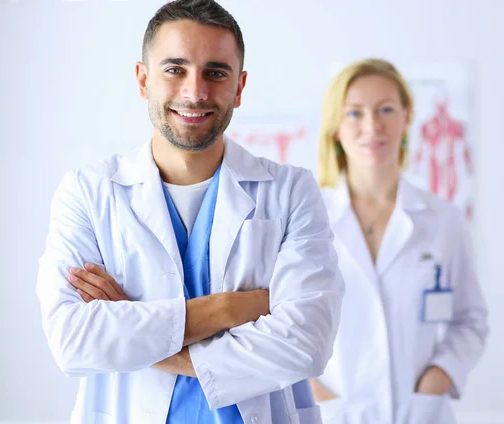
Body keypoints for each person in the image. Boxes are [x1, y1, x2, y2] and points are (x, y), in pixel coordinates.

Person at [35, 1, 344, 423]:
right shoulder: (88, 194)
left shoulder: (291, 192)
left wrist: (142, 336)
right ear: (143, 80)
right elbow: (73, 341)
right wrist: (230, 309)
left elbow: (306, 343)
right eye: (174, 69)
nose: (194, 92)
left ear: (239, 86)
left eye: (215, 72)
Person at [311, 58, 488, 424]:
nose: (372, 126)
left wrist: (438, 378)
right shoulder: (306, 219)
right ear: (335, 127)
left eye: (386, 109)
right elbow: (275, 324)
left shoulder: (443, 220)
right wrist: (316, 392)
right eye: (355, 113)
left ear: (407, 118)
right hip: (332, 413)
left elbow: (470, 319)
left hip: (421, 412)